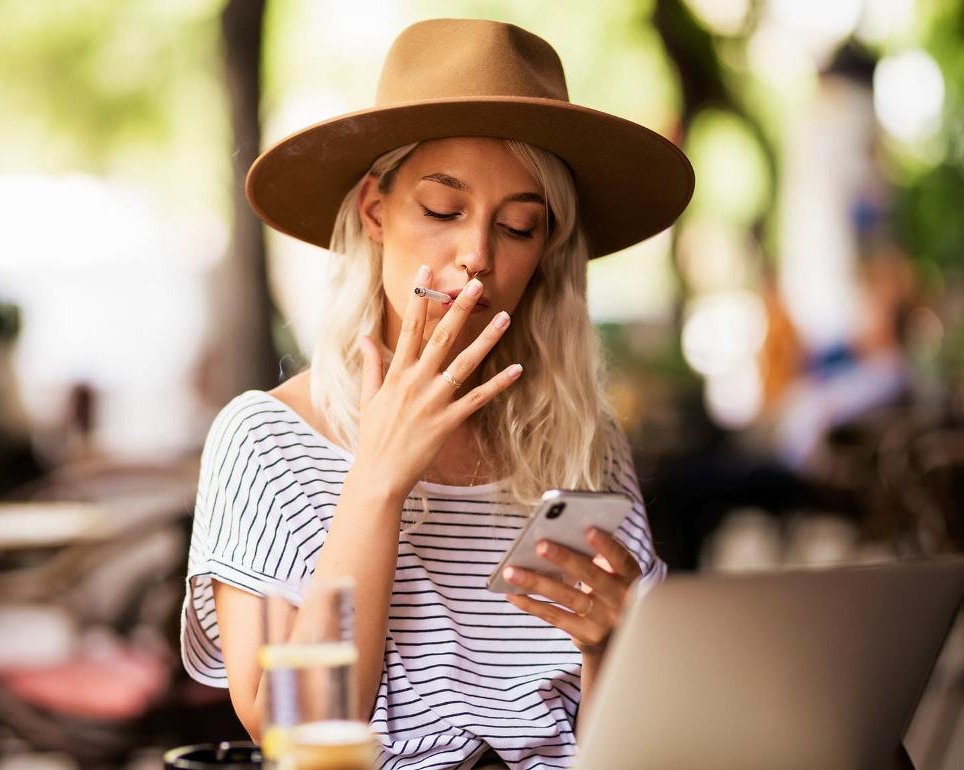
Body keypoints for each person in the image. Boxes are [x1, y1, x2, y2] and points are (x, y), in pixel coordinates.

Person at [181, 18, 693, 769]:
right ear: (375, 210)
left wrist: (611, 642)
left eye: (519, 227)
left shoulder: (583, 441)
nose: (478, 256)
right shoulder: (266, 439)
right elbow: (282, 731)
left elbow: (626, 739)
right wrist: (378, 477)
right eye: (443, 211)